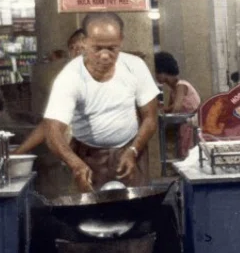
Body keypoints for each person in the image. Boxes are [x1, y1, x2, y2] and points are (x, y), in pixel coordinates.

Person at [42, 12, 159, 192]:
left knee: (136, 207)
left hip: (131, 149)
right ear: (84, 42)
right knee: (92, 212)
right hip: (87, 156)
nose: (105, 56)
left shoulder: (135, 66)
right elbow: (52, 131)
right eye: (97, 48)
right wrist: (75, 164)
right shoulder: (70, 77)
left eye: (112, 48)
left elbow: (150, 118)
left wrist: (134, 150)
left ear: (121, 40)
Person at [13, 28, 87, 155]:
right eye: (73, 48)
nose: (77, 53)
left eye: (82, 48)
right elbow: (49, 124)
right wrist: (17, 153)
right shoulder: (68, 82)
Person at [154, 51, 201, 158]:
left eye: (156, 72)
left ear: (163, 72)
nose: (156, 76)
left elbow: (176, 108)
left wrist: (163, 109)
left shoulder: (181, 86)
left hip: (190, 126)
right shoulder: (173, 90)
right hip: (183, 126)